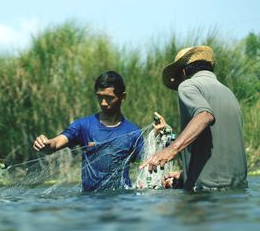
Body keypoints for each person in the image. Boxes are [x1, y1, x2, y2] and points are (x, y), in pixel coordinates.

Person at [140, 45, 248, 191]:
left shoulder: (187, 85)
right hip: (239, 192)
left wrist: (171, 149)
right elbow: (217, 149)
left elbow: (204, 116)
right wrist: (186, 175)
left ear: (183, 72)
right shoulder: (228, 92)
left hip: (206, 195)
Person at [33, 71, 144, 191]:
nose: (103, 103)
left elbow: (146, 164)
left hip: (122, 201)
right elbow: (56, 143)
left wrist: (160, 137)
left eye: (109, 98)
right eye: (99, 96)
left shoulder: (133, 132)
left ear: (123, 97)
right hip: (90, 202)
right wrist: (46, 144)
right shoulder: (83, 126)